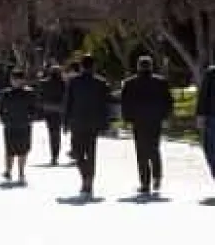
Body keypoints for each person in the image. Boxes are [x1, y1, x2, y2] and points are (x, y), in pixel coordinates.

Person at [120, 55, 174, 194]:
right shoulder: (161, 82)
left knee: (141, 151)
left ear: (138, 66)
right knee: (154, 148)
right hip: (155, 120)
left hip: (138, 121)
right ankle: (157, 177)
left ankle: (145, 182)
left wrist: (126, 119)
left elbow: (125, 103)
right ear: (151, 66)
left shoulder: (130, 83)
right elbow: (168, 101)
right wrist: (166, 117)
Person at [63, 54, 110, 197]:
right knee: (90, 153)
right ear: (94, 66)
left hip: (77, 122)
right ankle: (88, 179)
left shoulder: (74, 82)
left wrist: (65, 122)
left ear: (81, 66)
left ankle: (86, 179)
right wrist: (105, 123)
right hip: (93, 123)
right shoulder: (100, 82)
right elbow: (105, 105)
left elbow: (68, 103)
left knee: (78, 153)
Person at [0, 70, 37, 184]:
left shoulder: (29, 93)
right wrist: (3, 119)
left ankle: (21, 172)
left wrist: (30, 118)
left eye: (17, 79)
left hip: (24, 125)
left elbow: (34, 108)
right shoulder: (5, 93)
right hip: (10, 125)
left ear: (23, 80)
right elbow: (0, 109)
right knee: (9, 150)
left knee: (23, 150)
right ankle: (8, 171)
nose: (15, 81)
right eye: (13, 79)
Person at [38, 65, 67, 165]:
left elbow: (40, 96)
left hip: (48, 110)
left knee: (51, 132)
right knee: (56, 132)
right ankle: (55, 154)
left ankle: (54, 155)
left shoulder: (44, 83)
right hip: (59, 110)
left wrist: (41, 107)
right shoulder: (64, 83)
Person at [196, 65, 215, 182]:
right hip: (212, 116)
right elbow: (204, 95)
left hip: (212, 117)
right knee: (210, 148)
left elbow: (203, 95)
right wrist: (200, 115)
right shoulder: (211, 73)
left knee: (211, 148)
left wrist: (200, 116)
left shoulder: (210, 73)